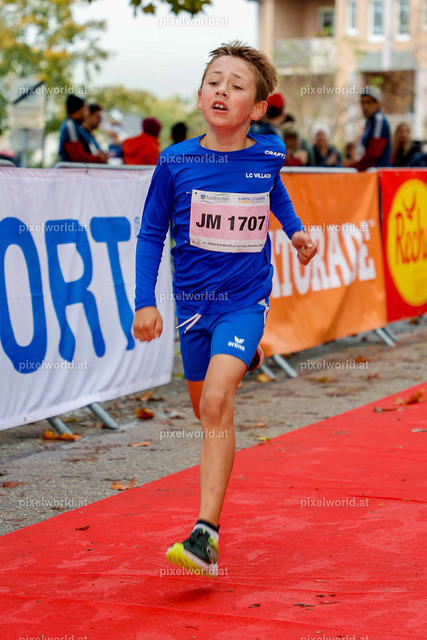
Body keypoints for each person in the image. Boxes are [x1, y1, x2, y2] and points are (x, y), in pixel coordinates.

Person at [132, 41, 318, 578]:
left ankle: (204, 536)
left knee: (217, 401)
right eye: (214, 81)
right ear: (199, 97)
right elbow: (151, 234)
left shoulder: (269, 153)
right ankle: (245, 355)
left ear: (256, 109)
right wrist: (145, 302)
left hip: (244, 299)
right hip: (194, 309)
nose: (222, 90)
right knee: (206, 411)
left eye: (237, 86)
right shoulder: (175, 161)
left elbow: (274, 193)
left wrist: (296, 232)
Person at [351, 86, 391, 171]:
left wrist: (353, 166)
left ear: (378, 104)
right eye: (362, 102)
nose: (364, 106)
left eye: (368, 102)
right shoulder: (369, 123)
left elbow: (374, 153)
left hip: (377, 174)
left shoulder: (378, 119)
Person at [58, 95, 107, 163]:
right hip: (75, 169)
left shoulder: (78, 127)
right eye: (85, 109)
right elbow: (78, 157)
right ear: (78, 110)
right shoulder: (70, 126)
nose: (87, 113)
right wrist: (99, 159)